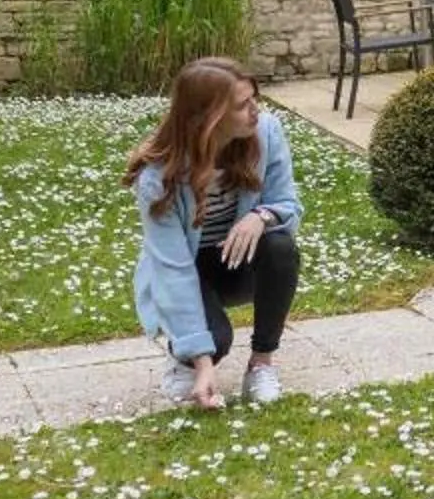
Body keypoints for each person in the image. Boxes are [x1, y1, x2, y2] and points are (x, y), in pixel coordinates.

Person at [128, 57, 304, 408]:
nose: (256, 110)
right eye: (243, 105)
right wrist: (204, 362)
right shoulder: (157, 179)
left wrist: (261, 216)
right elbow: (173, 269)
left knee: (281, 248)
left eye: (255, 99)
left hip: (238, 261)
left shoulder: (265, 133)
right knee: (215, 341)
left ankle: (260, 365)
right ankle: (185, 359)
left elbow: (288, 203)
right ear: (210, 117)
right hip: (188, 270)